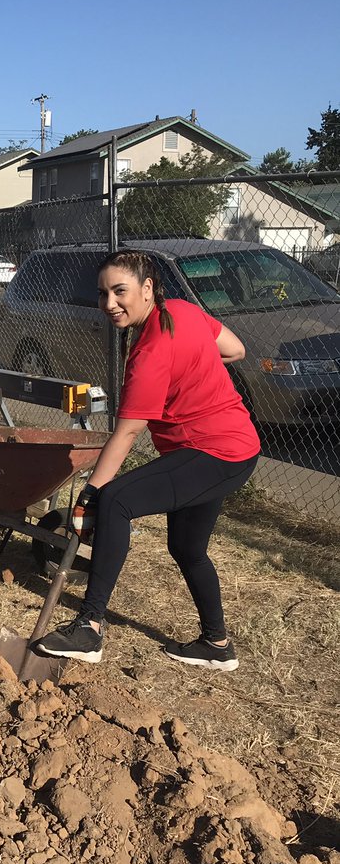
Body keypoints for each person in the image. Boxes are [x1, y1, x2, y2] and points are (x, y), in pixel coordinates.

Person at [36, 249, 260, 672]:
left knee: (116, 500)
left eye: (119, 292)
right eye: (102, 293)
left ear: (147, 288)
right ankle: (217, 645)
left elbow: (127, 433)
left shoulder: (151, 351)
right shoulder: (184, 311)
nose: (109, 303)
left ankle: (89, 628)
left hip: (213, 451)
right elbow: (235, 350)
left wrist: (90, 494)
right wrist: (188, 372)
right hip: (236, 447)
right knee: (187, 547)